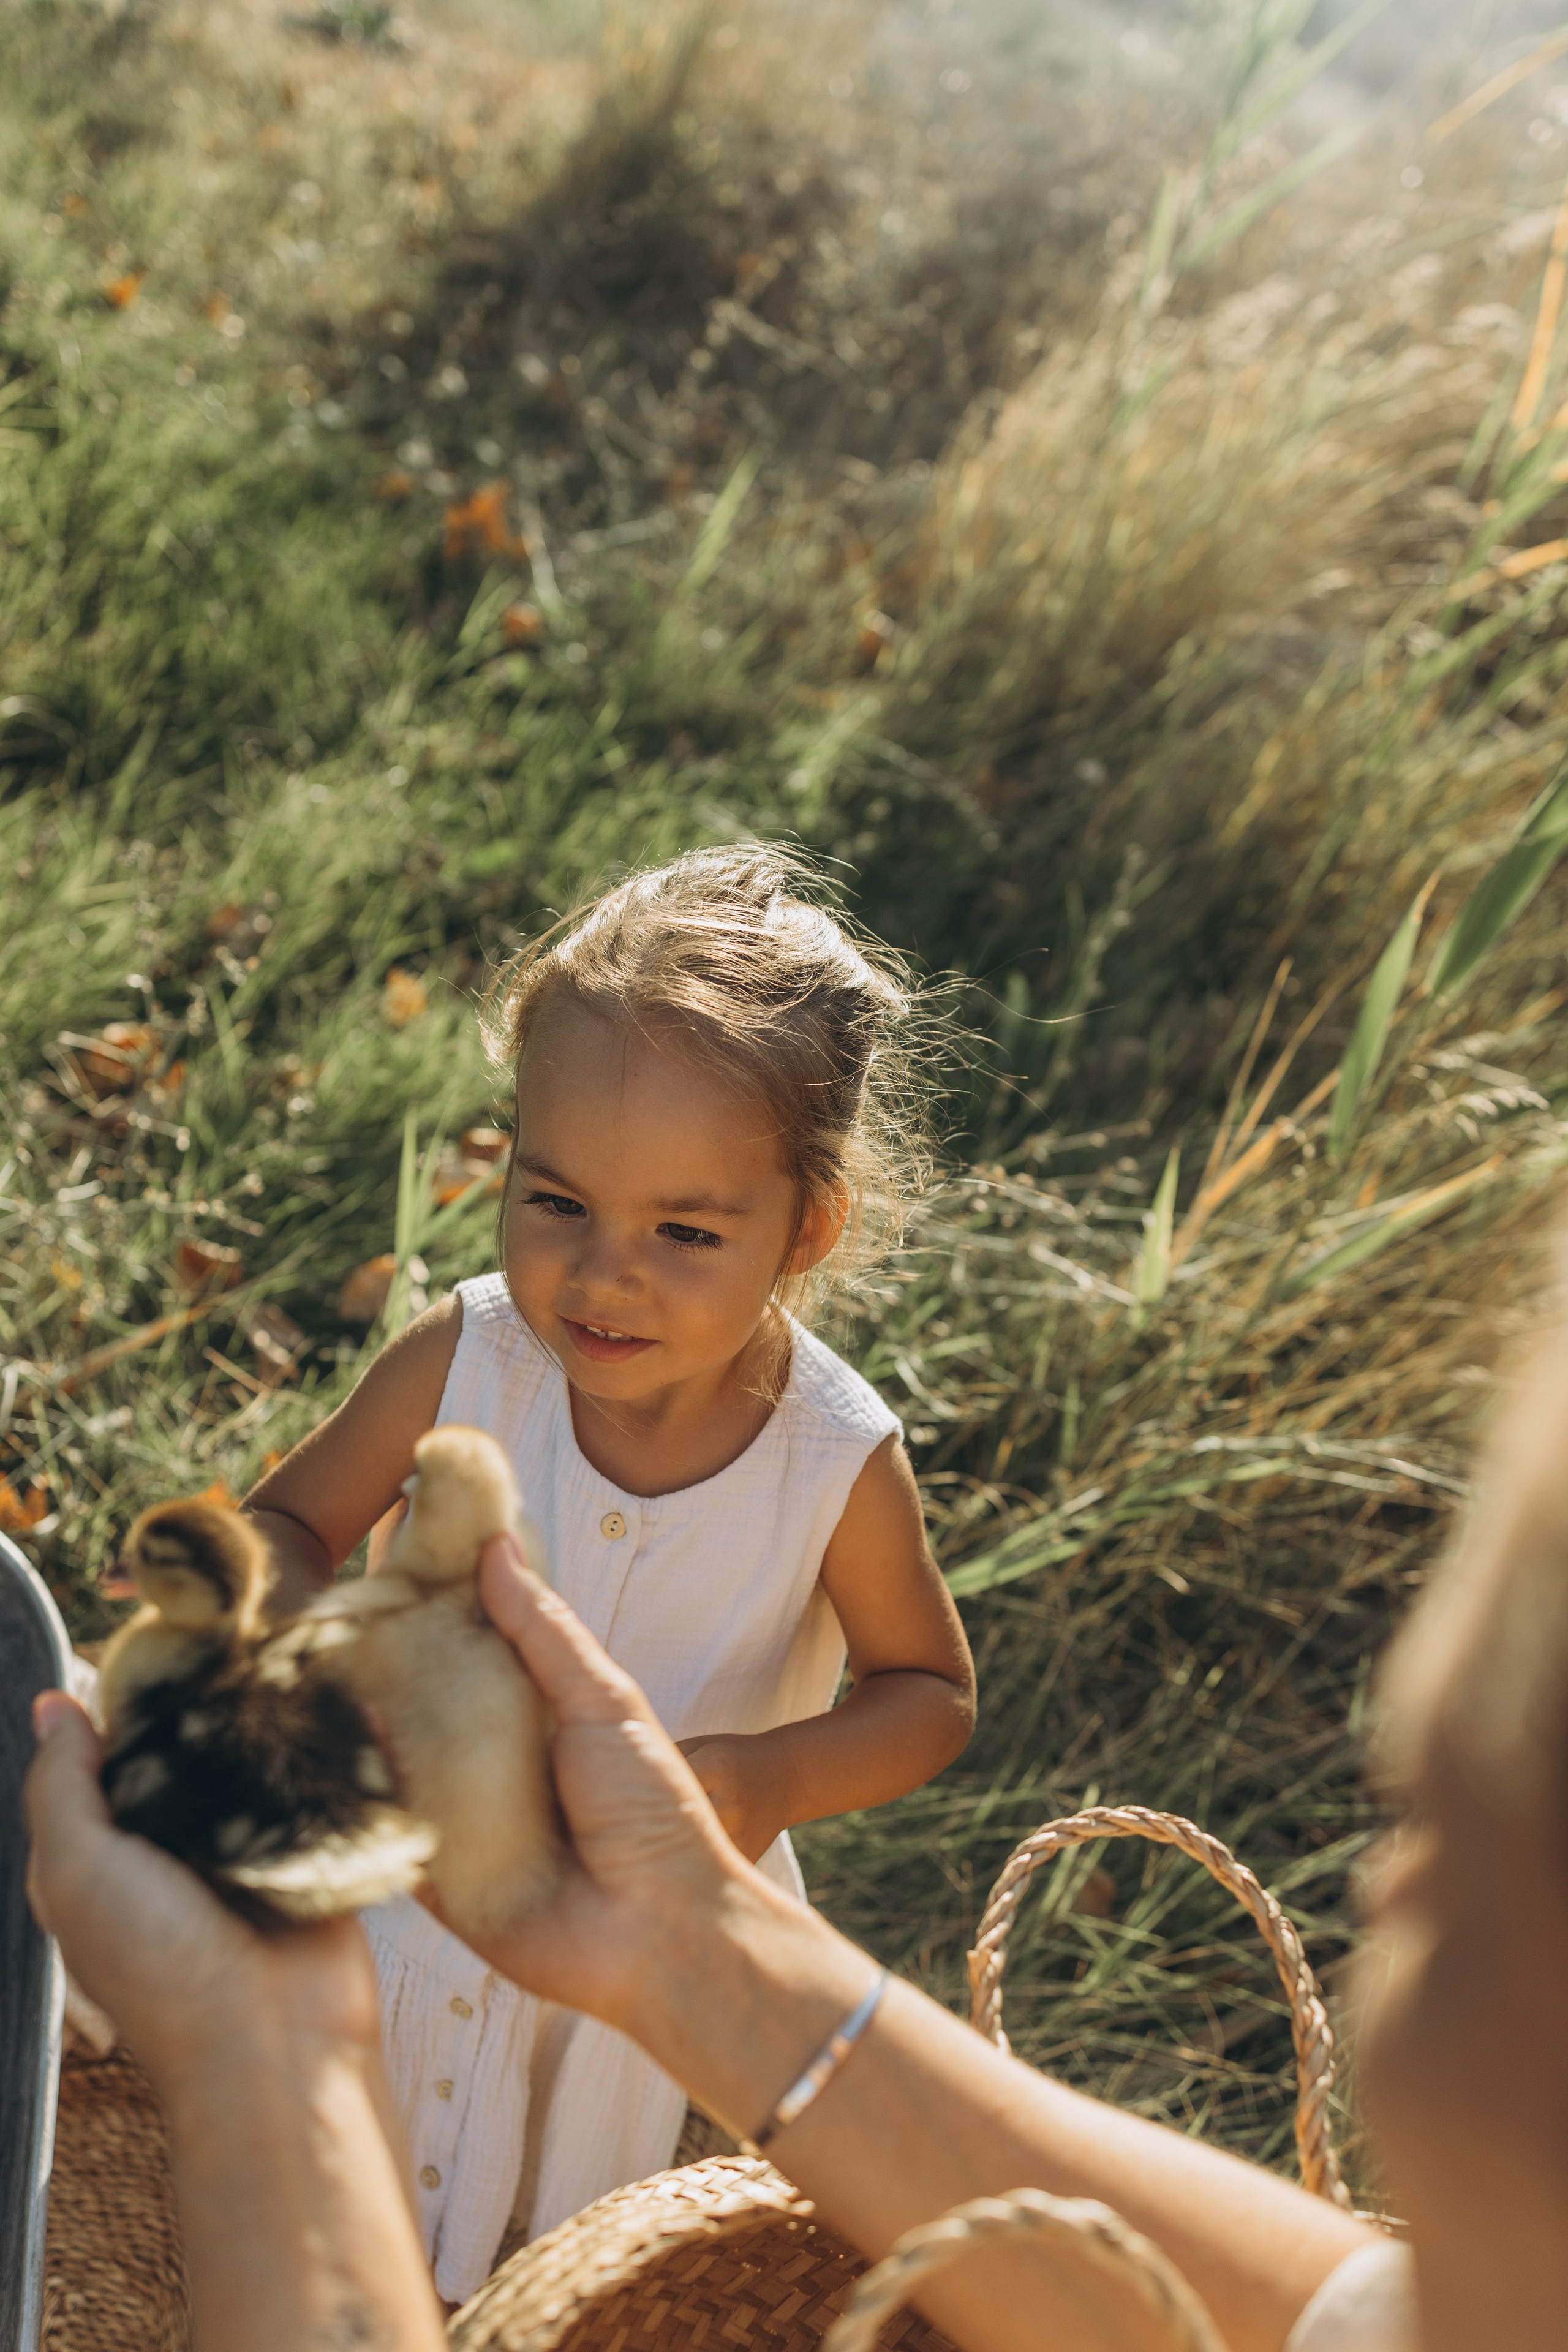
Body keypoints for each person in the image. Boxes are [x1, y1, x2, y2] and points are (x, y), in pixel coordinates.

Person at [238, 846, 978, 2297]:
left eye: (684, 1234)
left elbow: (928, 1692)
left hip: (640, 1930)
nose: (599, 1277)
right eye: (554, 1202)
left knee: (571, 2252)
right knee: (337, 2190)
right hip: (417, 1871)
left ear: (803, 1230)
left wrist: (760, 1782)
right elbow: (285, 1529)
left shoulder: (830, 1460)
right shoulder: (467, 1360)